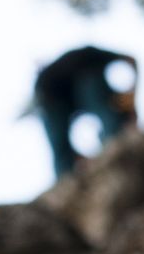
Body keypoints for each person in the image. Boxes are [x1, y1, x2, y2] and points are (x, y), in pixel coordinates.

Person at [30, 46, 138, 179]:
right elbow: (131, 60)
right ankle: (116, 140)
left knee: (105, 107)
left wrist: (130, 100)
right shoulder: (93, 63)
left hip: (59, 92)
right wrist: (132, 98)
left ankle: (116, 140)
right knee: (103, 108)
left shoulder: (91, 67)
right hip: (49, 95)